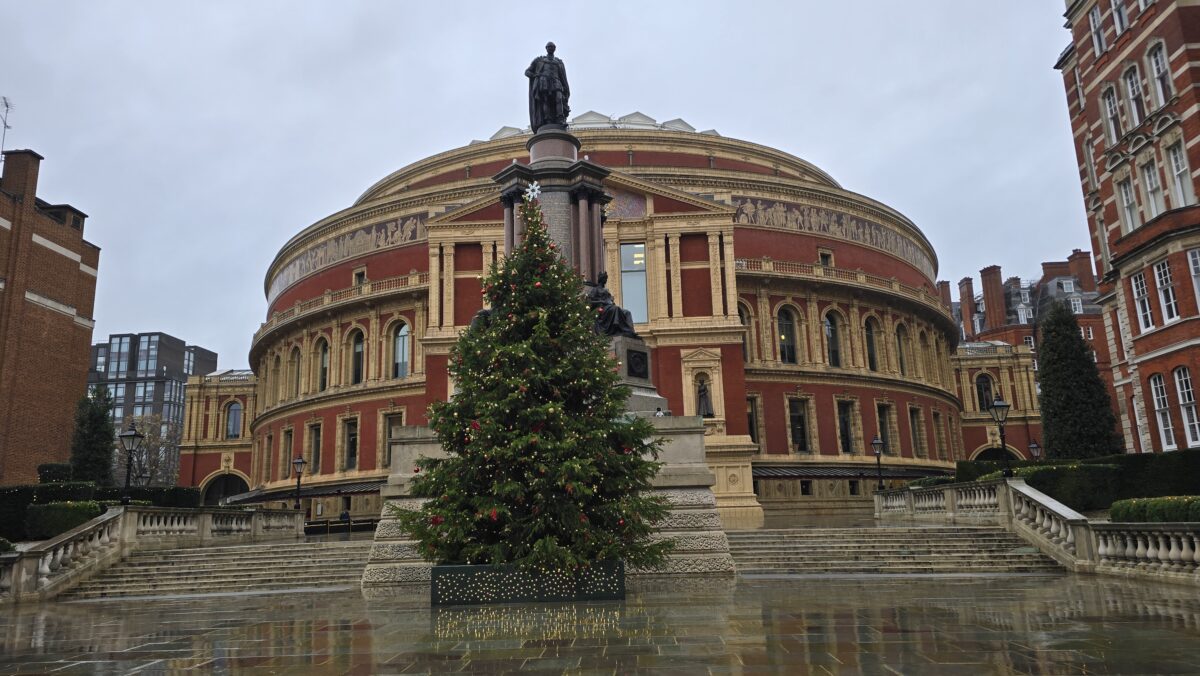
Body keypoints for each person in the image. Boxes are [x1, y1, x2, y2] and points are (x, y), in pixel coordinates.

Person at [526, 42, 570, 132]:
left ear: (555, 48)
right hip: (544, 82)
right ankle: (547, 119)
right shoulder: (539, 60)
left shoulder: (558, 62)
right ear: (546, 48)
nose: (551, 48)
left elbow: (563, 77)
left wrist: (565, 88)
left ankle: (560, 120)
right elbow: (527, 72)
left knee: (559, 98)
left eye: (552, 47)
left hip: (556, 81)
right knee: (546, 101)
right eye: (549, 47)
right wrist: (536, 76)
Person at [585, 272, 639, 338]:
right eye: (605, 279)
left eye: (606, 279)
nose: (606, 280)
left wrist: (611, 301)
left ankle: (630, 332)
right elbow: (590, 301)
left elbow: (610, 300)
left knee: (627, 312)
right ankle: (617, 325)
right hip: (602, 308)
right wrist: (601, 301)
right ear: (601, 279)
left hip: (609, 306)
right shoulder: (595, 289)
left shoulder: (606, 290)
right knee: (616, 309)